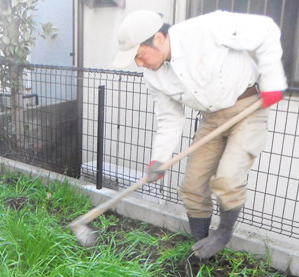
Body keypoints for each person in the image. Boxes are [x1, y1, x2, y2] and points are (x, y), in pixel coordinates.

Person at [113, 10, 287, 260]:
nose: (139, 64)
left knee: (227, 179)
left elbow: (266, 30)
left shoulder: (207, 29)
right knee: (192, 187)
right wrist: (159, 159)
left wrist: (272, 81)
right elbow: (170, 117)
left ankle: (222, 235)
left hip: (247, 108)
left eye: (139, 55)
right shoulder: (154, 76)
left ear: (159, 39)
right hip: (211, 119)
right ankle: (201, 250)